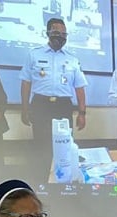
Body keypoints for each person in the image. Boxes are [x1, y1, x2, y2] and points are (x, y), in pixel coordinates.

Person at [20, 18, 87, 149]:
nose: (60, 36)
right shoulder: (34, 54)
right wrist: (24, 109)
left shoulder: (72, 59)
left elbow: (80, 88)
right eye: (56, 32)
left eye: (63, 34)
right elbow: (26, 83)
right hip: (40, 105)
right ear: (48, 33)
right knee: (41, 146)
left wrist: (82, 113)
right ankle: (42, 170)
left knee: (64, 146)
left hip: (63, 106)